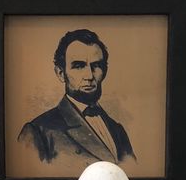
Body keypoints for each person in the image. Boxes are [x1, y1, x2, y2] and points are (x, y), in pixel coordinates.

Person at [18, 28, 135, 167]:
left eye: (96, 65)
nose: (90, 76)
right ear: (61, 73)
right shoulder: (38, 131)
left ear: (105, 71)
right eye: (79, 66)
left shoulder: (117, 130)